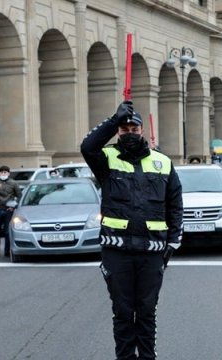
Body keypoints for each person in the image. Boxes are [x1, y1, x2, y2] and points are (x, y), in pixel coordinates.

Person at [80, 100, 183, 360]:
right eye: (124, 129)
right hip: (117, 252)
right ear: (118, 132)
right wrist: (113, 119)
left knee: (147, 311)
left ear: (142, 131)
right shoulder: (106, 160)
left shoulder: (163, 163)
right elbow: (87, 146)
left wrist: (173, 242)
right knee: (123, 312)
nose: (129, 133)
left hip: (152, 252)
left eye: (133, 129)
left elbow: (175, 204)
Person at [0, 165, 21, 257]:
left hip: (9, 209)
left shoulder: (13, 183)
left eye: (5, 172)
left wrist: (14, 206)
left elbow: (20, 195)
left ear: (8, 173)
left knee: (7, 232)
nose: (3, 174)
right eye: (2, 172)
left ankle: (7, 251)